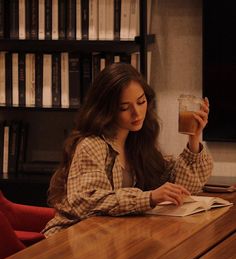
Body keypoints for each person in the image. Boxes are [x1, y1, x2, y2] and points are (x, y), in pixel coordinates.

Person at [43, 63, 213, 237]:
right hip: (73, 238)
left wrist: (194, 138)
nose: (137, 113)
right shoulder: (92, 145)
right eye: (124, 108)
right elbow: (88, 202)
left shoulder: (138, 140)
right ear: (106, 110)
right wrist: (149, 198)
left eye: (141, 102)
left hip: (110, 238)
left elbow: (180, 187)